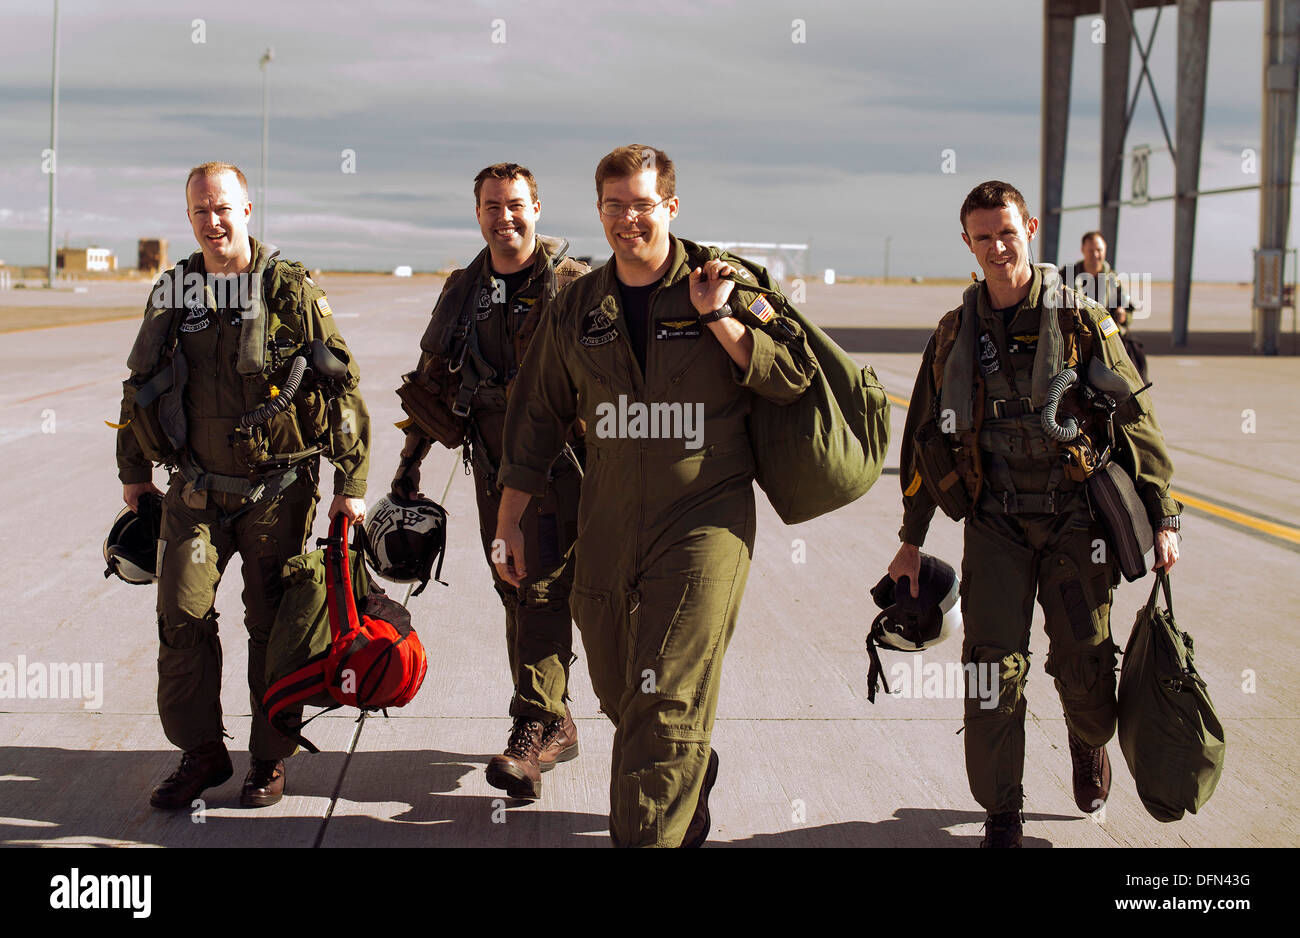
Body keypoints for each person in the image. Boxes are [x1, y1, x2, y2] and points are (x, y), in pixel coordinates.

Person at [494, 144, 816, 847]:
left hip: (706, 516)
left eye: (642, 205)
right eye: (614, 206)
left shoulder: (726, 281)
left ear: (671, 206)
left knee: (666, 698)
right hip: (608, 517)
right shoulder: (578, 303)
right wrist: (509, 519)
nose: (627, 220)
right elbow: (538, 414)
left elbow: (794, 372)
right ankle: (687, 772)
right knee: (621, 689)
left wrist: (720, 319)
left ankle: (649, 828)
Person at [890, 181, 1182, 847]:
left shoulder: (1083, 321)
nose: (997, 247)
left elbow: (1137, 422)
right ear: (967, 242)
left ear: (1030, 228)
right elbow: (924, 442)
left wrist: (1163, 516)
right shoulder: (954, 334)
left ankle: (1088, 742)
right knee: (992, 669)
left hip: (1075, 524)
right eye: (983, 237)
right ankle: (1002, 812)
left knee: (1085, 668)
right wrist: (911, 539)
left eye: (1007, 233)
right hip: (994, 526)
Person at [116, 161, 369, 809]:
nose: (213, 220)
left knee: (274, 626)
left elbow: (340, 380)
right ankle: (202, 753)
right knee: (182, 615)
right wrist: (134, 475)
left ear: (248, 210)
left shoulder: (289, 288)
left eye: (223, 207)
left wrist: (352, 482)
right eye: (200, 211)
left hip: (275, 495)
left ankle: (269, 758)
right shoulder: (176, 290)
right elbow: (139, 379)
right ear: (190, 218)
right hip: (195, 493)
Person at [390, 163, 589, 800]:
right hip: (492, 469)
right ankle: (554, 718)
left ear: (537, 209)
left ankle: (529, 730)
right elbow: (432, 376)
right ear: (477, 213)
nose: (505, 217)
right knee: (515, 588)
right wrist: (408, 465)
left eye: (516, 205)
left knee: (541, 591)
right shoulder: (465, 290)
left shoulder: (571, 284)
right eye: (492, 207)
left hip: (562, 470)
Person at [1072, 231, 1148, 382]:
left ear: (1104, 250)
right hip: (1077, 342)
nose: (1095, 255)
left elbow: (1127, 308)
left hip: (1108, 339)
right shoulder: (1068, 276)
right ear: (1083, 251)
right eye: (1091, 250)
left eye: (1099, 250)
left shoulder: (1112, 279)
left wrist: (1123, 315)